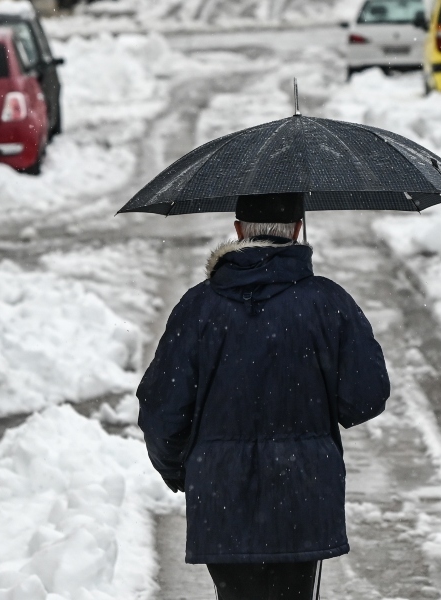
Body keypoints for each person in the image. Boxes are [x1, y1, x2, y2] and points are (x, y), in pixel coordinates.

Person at [137, 192, 391, 600]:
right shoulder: (328, 302)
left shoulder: (197, 308)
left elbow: (162, 410)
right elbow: (365, 397)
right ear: (296, 230)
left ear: (238, 232)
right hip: (303, 495)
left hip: (221, 494)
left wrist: (185, 471)